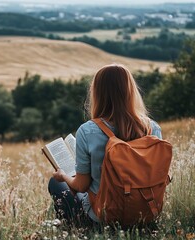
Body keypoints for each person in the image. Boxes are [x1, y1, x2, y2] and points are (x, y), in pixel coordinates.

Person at [48, 63, 163, 229]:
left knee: (55, 183)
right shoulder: (152, 128)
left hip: (104, 215)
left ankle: (75, 228)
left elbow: (81, 186)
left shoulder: (87, 131)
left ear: (98, 93)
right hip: (147, 212)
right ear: (131, 90)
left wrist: (63, 176)